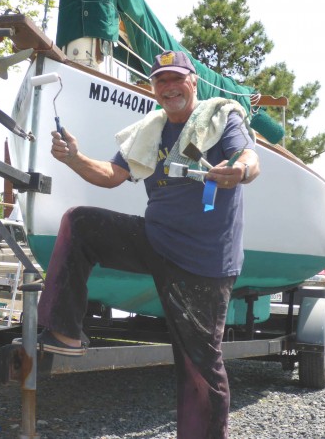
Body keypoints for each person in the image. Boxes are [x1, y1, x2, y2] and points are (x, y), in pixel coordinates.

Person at [36, 50, 260, 438]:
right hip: (156, 241)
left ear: (193, 82)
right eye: (161, 81)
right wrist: (74, 157)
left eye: (177, 79)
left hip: (203, 262)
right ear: (154, 88)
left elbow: (250, 157)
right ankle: (65, 330)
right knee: (81, 223)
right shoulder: (151, 130)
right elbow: (111, 174)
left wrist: (238, 171)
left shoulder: (222, 118)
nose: (169, 87)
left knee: (199, 368)